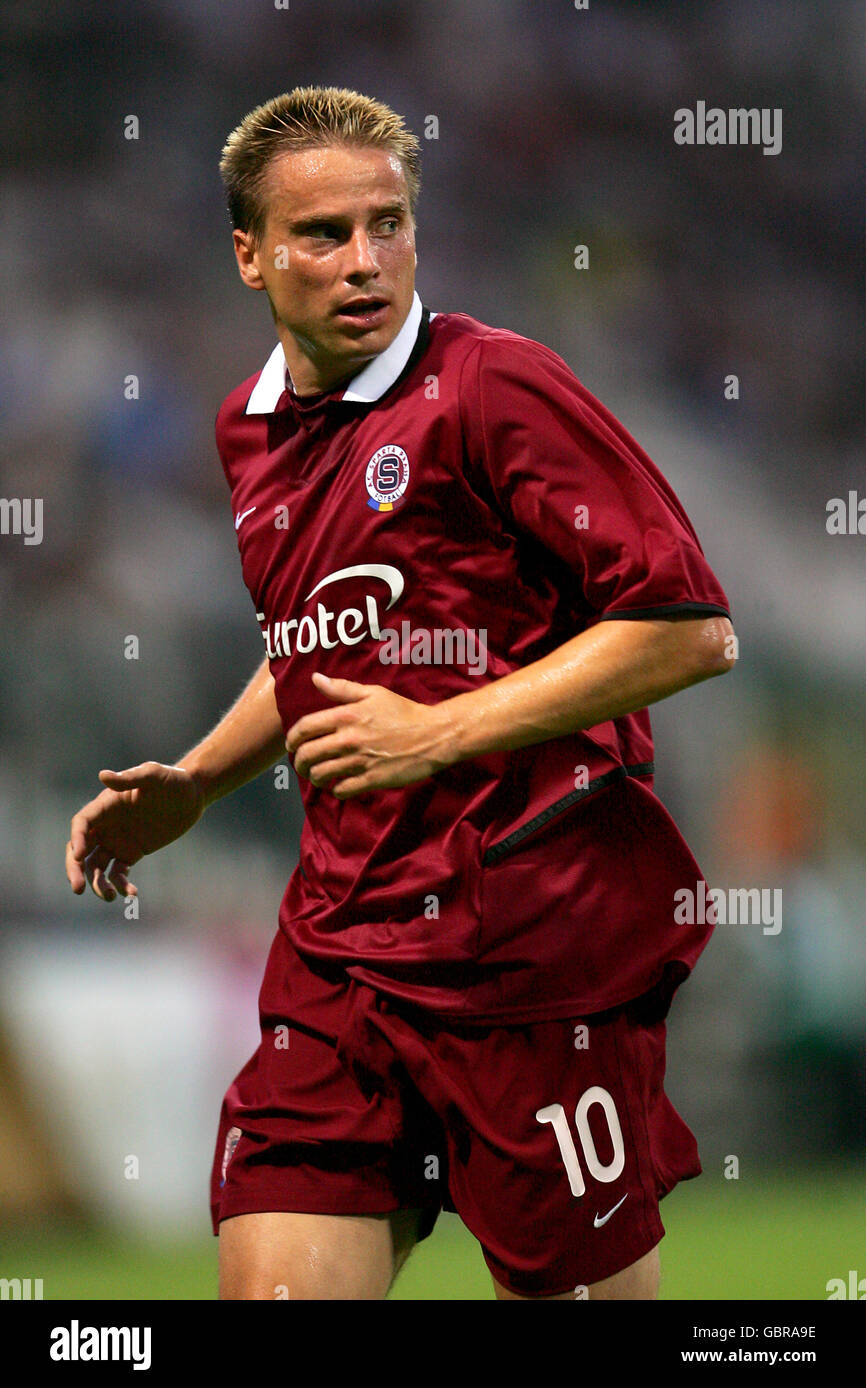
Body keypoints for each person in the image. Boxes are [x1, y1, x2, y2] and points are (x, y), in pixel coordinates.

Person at [66, 86, 735, 1301]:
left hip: (528, 947)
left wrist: (443, 730)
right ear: (249, 255)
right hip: (338, 950)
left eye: (389, 223)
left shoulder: (492, 387)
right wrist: (199, 783)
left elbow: (685, 631)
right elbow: (319, 649)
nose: (364, 260)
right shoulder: (246, 430)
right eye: (323, 234)